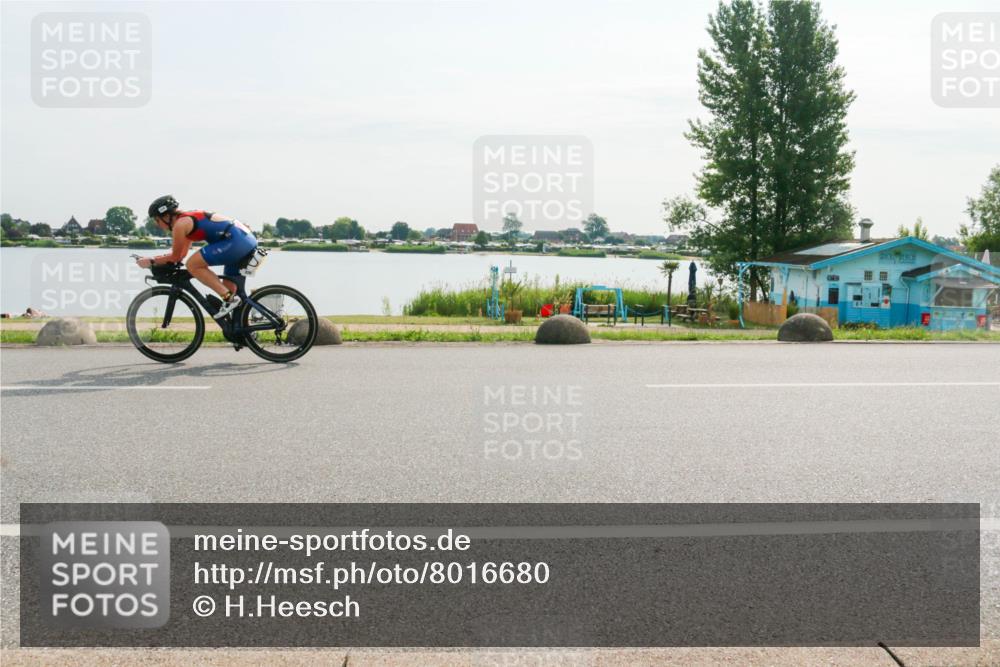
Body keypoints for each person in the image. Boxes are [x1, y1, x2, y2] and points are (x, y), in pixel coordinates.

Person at [137, 195, 257, 318]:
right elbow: (180, 255)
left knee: (192, 265)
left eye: (157, 220)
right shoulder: (188, 219)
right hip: (245, 240)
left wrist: (151, 261)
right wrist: (158, 259)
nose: (157, 225)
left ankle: (230, 300)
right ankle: (243, 330)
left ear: (167, 216)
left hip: (236, 242)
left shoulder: (180, 225)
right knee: (231, 291)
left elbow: (175, 257)